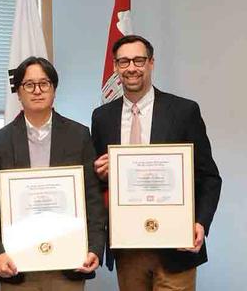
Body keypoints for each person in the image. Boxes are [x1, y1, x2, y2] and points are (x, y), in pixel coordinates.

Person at [91, 35, 222, 291]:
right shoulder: (102, 117)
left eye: (139, 60)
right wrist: (101, 174)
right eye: (124, 61)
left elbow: (209, 176)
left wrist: (200, 223)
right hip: (128, 246)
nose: (131, 67)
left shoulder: (184, 111)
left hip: (175, 246)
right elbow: (97, 181)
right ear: (116, 67)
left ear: (151, 63)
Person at [0, 56, 106, 291]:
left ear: (54, 90)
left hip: (68, 263)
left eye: (44, 83)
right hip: (17, 267)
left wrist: (94, 247)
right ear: (18, 92)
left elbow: (92, 197)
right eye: (29, 85)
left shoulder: (78, 136)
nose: (37, 90)